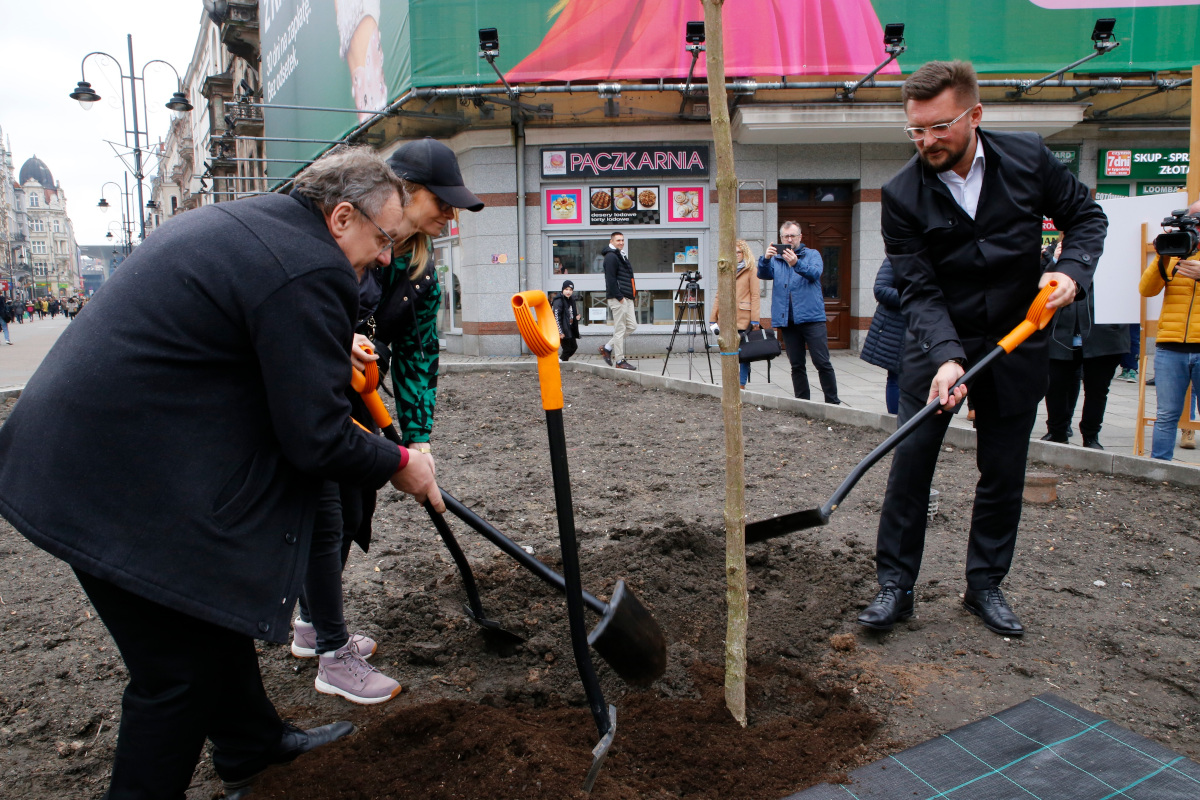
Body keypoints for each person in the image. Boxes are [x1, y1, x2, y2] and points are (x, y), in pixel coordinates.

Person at [0, 145, 443, 798]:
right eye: (383, 239)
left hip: (90, 451)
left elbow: (248, 332)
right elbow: (314, 440)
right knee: (175, 676)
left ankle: (249, 746)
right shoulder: (311, 268)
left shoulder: (255, 224)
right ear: (342, 217)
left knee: (209, 608)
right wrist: (400, 461)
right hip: (99, 478)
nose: (385, 258)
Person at [857, 60, 1107, 637]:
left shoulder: (1028, 158)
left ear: (974, 115)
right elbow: (916, 288)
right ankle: (896, 586)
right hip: (936, 344)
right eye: (915, 129)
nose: (926, 141)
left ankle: (985, 586)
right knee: (911, 466)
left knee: (1002, 472)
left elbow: (1086, 217)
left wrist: (1071, 271)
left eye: (938, 127)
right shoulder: (900, 194)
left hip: (1019, 340)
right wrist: (947, 356)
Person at [290, 137, 484, 705]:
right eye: (442, 203)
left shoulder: (420, 269)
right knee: (327, 510)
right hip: (315, 391)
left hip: (362, 394)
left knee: (352, 507)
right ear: (404, 191)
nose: (449, 217)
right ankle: (329, 644)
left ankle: (311, 624)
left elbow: (421, 352)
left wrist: (418, 438)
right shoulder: (341, 237)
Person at [1041, 239, 1127, 449]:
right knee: (1055, 385)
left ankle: (1090, 435)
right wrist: (1055, 261)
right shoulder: (1054, 250)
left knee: (1097, 389)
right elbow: (1039, 286)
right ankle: (1057, 431)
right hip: (1060, 332)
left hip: (1103, 334)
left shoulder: (1118, 248)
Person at [1138, 198, 1200, 461]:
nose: (1195, 224)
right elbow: (1147, 290)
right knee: (1165, 415)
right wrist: (1162, 258)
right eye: (1193, 217)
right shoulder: (1174, 251)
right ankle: (1157, 473)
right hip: (1169, 347)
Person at [758, 221, 840, 403]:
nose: (789, 240)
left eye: (792, 236)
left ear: (800, 237)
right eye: (785, 237)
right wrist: (765, 259)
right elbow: (763, 274)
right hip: (788, 320)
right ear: (780, 239)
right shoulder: (776, 260)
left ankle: (833, 403)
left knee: (822, 362)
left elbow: (815, 273)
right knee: (796, 365)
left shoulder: (812, 255)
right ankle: (802, 403)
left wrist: (796, 263)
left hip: (812, 318)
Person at [709, 239, 761, 388]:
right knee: (728, 351)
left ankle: (741, 383)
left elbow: (755, 295)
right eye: (733, 252)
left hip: (744, 317)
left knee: (744, 353)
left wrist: (755, 320)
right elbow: (719, 294)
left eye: (739, 252)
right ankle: (730, 382)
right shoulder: (726, 269)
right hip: (726, 317)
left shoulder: (751, 270)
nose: (736, 255)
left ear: (744, 253)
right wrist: (713, 318)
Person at [859, 257, 906, 414]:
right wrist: (914, 297)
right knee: (896, 377)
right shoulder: (896, 257)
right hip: (896, 329)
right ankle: (894, 424)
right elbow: (880, 290)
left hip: (927, 328)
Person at [599, 230, 637, 370]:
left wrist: (631, 296)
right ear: (611, 241)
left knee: (632, 326)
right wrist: (619, 297)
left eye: (622, 240)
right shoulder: (611, 257)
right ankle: (620, 361)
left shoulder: (620, 255)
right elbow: (610, 279)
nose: (621, 242)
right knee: (620, 329)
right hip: (618, 298)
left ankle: (607, 347)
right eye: (618, 240)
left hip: (627, 297)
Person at [553, 279, 581, 360]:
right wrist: (560, 332)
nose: (568, 292)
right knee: (567, 349)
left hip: (570, 328)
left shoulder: (571, 299)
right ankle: (561, 362)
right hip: (563, 329)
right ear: (563, 290)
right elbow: (556, 317)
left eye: (570, 290)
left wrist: (577, 317)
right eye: (566, 289)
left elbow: (572, 312)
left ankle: (562, 361)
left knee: (574, 347)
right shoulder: (559, 301)